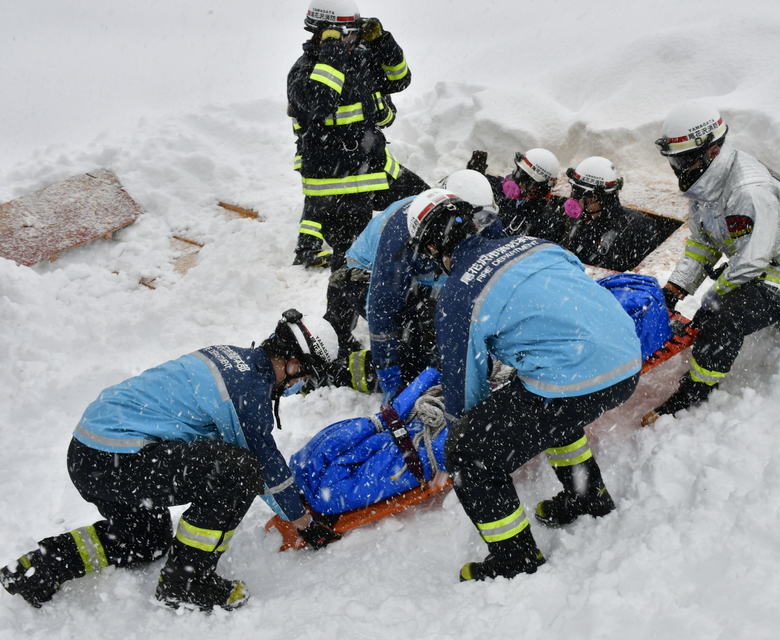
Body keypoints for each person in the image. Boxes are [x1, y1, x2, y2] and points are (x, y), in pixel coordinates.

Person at [0, 310, 343, 611]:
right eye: (307, 377)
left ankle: (39, 569)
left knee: (145, 540)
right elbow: (265, 465)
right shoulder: (247, 391)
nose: (303, 385)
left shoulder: (232, 358)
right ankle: (186, 583)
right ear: (296, 363)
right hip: (116, 458)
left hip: (89, 454)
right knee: (239, 473)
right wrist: (302, 522)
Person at [405, 191, 645, 581]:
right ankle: (587, 496)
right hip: (626, 362)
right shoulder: (533, 243)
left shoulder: (459, 295)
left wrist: (473, 428)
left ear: (432, 246)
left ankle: (515, 558)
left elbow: (465, 393)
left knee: (467, 449)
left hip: (576, 380)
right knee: (543, 395)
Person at [644, 101, 780, 422]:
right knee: (718, 304)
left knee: (720, 318)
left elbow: (752, 262)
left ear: (710, 151)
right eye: (675, 159)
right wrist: (675, 289)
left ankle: (698, 389)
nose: (678, 167)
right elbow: (702, 242)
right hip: (764, 256)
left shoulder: (748, 191)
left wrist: (710, 305)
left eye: (683, 159)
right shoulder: (708, 180)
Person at [287, 0, 428, 269]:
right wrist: (332, 52)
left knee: (426, 206)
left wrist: (382, 41)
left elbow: (399, 79)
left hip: (374, 169)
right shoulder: (302, 73)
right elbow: (323, 102)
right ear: (326, 34)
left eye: (357, 30)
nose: (355, 38)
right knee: (353, 262)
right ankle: (343, 309)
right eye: (348, 32)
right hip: (338, 185)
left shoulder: (357, 57)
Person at [364, 176, 502, 401]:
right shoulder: (401, 236)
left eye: (485, 219)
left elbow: (497, 277)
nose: (478, 229)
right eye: (473, 220)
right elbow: (382, 310)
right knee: (422, 340)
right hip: (366, 275)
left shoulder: (483, 218)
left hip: (427, 276)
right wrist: (390, 379)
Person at [561, 156, 680, 271]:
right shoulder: (585, 222)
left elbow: (645, 274)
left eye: (577, 194)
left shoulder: (639, 229)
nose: (573, 200)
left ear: (594, 197)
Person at [466, 148, 568, 243]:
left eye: (523, 178)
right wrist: (474, 175)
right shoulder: (497, 188)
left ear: (539, 187)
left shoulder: (547, 223)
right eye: (517, 171)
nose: (515, 179)